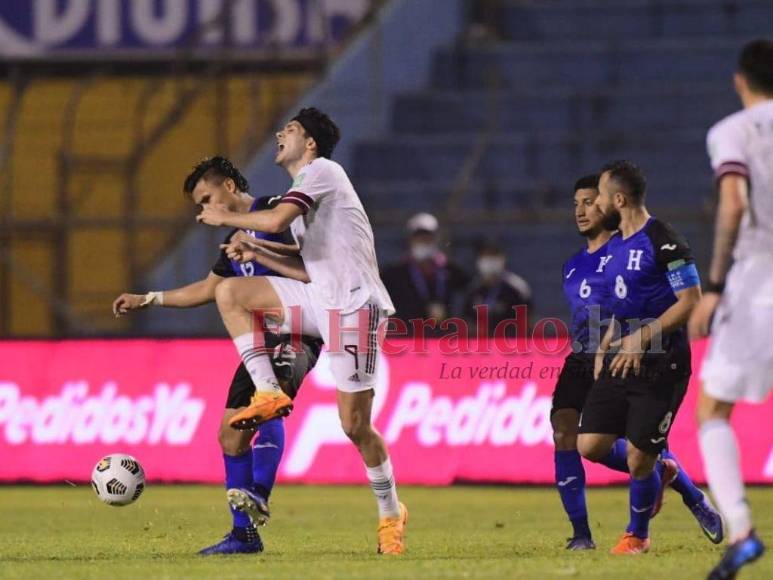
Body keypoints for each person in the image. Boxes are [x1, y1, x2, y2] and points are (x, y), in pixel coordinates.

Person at [196, 108, 408, 555]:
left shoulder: (323, 171)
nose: (280, 133)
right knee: (230, 291)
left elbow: (274, 221)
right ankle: (268, 390)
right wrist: (256, 251)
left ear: (310, 143)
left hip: (355, 307)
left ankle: (391, 513)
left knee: (355, 426)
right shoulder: (302, 193)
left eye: (290, 129)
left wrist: (227, 220)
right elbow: (306, 268)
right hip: (320, 299)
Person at [112, 156, 322, 555]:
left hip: (297, 330)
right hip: (257, 342)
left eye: (207, 198)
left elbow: (311, 260)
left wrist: (258, 247)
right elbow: (208, 289)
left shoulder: (274, 211)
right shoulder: (234, 241)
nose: (204, 209)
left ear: (228, 186)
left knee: (269, 407)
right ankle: (244, 536)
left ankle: (258, 494)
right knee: (230, 436)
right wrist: (149, 298)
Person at [554, 174, 721, 551]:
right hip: (587, 354)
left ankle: (673, 503)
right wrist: (601, 346)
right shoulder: (573, 265)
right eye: (577, 204)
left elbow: (674, 299)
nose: (584, 210)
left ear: (612, 203)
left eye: (591, 201)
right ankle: (581, 534)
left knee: (639, 449)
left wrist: (634, 339)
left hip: (643, 353)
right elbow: (611, 308)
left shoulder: (640, 244)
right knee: (570, 433)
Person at [688, 38, 773, 580]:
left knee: (713, 409)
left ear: (740, 80)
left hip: (760, 279)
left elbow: (735, 201)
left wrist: (715, 284)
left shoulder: (733, 131)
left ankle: (740, 530)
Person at [382, 212, 469, 334]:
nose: (423, 242)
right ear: (410, 240)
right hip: (408, 338)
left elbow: (463, 304)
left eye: (427, 238)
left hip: (446, 338)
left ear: (436, 239)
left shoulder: (453, 271)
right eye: (419, 239)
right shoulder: (394, 275)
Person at [463, 238, 531, 335]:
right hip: (479, 342)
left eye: (494, 256)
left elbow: (526, 322)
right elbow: (466, 320)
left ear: (503, 258)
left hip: (509, 341)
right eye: (486, 256)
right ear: (479, 259)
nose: (490, 261)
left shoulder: (517, 288)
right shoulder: (473, 288)